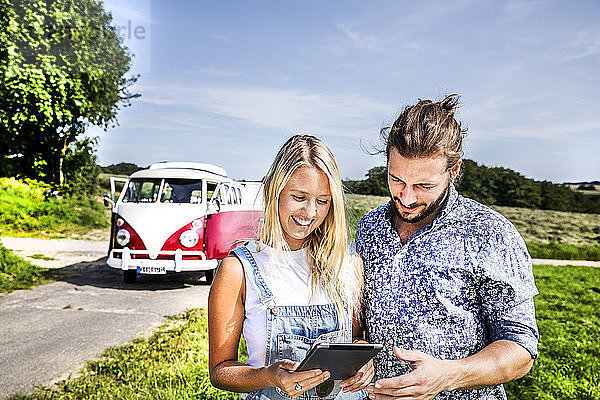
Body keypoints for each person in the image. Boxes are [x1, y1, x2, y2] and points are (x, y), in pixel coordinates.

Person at [355, 95, 539, 400]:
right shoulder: (369, 226)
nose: (407, 197)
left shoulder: (490, 232)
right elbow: (360, 318)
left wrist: (448, 376)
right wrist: (358, 349)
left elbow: (520, 348)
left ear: (453, 171)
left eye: (424, 186)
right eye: (396, 179)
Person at [209, 135, 372, 400]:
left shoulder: (348, 263)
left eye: (323, 201)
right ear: (275, 190)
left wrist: (363, 360)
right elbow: (220, 371)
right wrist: (269, 376)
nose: (310, 212)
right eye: (299, 196)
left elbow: (353, 340)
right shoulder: (238, 269)